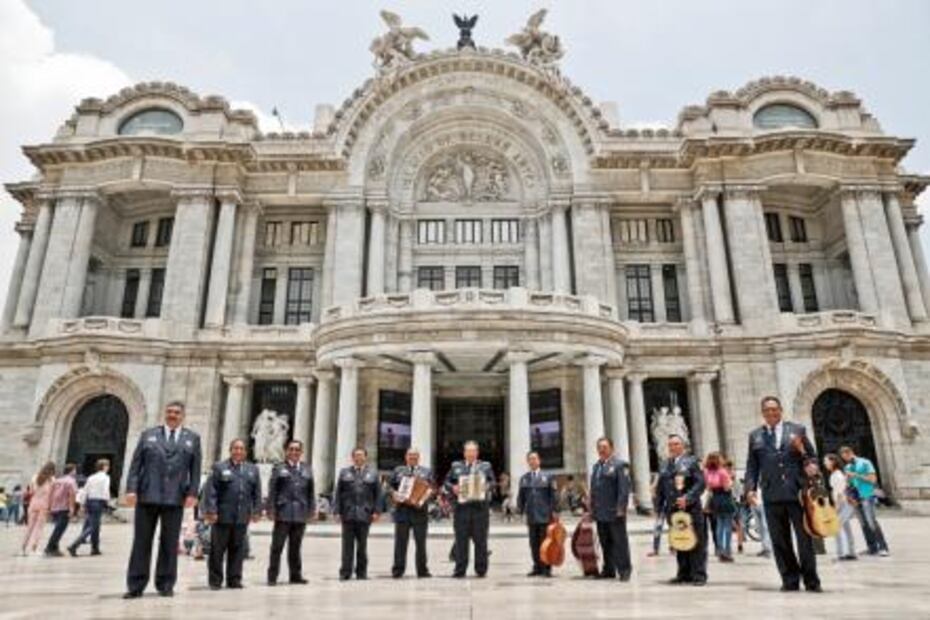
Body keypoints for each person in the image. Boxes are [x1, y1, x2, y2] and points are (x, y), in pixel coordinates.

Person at [124, 401, 202, 599]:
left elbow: (196, 469)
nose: (172, 415)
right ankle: (136, 585)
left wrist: (193, 493)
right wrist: (131, 489)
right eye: (169, 412)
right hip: (147, 495)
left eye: (176, 412)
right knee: (141, 542)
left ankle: (166, 584)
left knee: (169, 543)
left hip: (175, 497)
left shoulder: (192, 438)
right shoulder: (149, 435)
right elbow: (135, 465)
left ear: (182, 415)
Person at [745, 396, 821, 593]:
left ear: (781, 410)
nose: (771, 413)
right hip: (771, 495)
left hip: (797, 494)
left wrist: (810, 463)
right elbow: (752, 466)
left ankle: (811, 581)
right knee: (780, 541)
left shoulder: (797, 430)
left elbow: (812, 457)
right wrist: (750, 489)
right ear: (762, 413)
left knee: (804, 540)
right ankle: (790, 580)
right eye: (767, 410)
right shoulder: (755, 436)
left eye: (774, 409)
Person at [202, 439, 261, 590]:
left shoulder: (252, 469)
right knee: (217, 550)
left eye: (241, 449)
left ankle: (234, 579)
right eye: (235, 448)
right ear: (230, 450)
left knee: (237, 549)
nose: (238, 451)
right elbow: (211, 491)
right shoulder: (220, 467)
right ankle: (215, 581)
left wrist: (256, 511)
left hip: (241, 516)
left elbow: (256, 493)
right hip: (222, 515)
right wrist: (211, 511)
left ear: (245, 452)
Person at [655, 435, 707, 586]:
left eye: (676, 444)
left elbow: (700, 483)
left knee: (696, 542)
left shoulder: (692, 462)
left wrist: (688, 498)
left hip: (690, 510)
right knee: (680, 541)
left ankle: (699, 575)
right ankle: (683, 573)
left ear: (683, 446)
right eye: (670, 444)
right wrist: (659, 508)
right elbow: (661, 489)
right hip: (673, 510)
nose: (673, 447)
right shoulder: (665, 464)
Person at [266, 440, 316, 585]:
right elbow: (273, 490)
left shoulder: (307, 469)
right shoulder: (279, 468)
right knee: (277, 547)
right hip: (283, 513)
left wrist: (311, 509)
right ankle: (272, 576)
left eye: (297, 450)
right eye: (291, 449)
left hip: (300, 513)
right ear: (286, 451)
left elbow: (310, 491)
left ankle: (295, 575)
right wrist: (271, 509)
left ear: (301, 452)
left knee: (295, 547)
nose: (294, 452)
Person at [444, 440, 495, 578]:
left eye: (473, 451)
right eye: (468, 451)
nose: (471, 453)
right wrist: (452, 488)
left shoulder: (485, 466)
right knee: (461, 540)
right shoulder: (456, 466)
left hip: (480, 509)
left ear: (477, 452)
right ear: (464, 452)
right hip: (461, 509)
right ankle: (460, 569)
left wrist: (487, 486)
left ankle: (481, 569)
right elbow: (446, 482)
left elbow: (492, 481)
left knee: (481, 540)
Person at [333, 447, 382, 580]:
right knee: (347, 546)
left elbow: (378, 494)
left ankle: (361, 572)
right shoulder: (344, 473)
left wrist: (377, 511)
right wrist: (336, 511)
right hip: (348, 514)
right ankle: (345, 572)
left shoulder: (372, 473)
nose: (358, 458)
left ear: (365, 457)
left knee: (362, 546)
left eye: (361, 456)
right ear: (352, 457)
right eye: (356, 456)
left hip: (364, 514)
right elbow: (338, 493)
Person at [588, 437, 632, 581]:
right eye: (599, 447)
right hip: (600, 512)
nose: (602, 450)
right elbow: (594, 490)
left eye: (605, 447)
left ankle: (624, 570)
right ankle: (609, 569)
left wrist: (621, 508)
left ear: (611, 448)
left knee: (619, 542)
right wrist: (591, 509)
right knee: (605, 542)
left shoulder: (620, 465)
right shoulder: (596, 467)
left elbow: (623, 489)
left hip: (615, 512)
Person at [388, 447, 433, 579]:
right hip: (402, 511)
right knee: (400, 543)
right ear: (406, 457)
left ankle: (422, 571)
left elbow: (431, 489)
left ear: (419, 457)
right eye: (410, 456)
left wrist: (423, 498)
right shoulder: (398, 471)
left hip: (420, 512)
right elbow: (389, 487)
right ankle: (398, 570)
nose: (412, 458)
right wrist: (393, 493)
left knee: (421, 543)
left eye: (415, 456)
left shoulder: (426, 471)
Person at [840, 446, 889, 557]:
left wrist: (856, 475)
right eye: (843, 458)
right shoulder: (848, 467)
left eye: (846, 456)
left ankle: (883, 547)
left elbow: (872, 479)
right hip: (856, 498)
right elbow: (850, 484)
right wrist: (848, 480)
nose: (846, 460)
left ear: (851, 453)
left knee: (871, 521)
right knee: (863, 523)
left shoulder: (865, 462)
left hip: (867, 495)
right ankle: (872, 548)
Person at [515, 451, 557, 577]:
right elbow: (521, 497)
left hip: (545, 516)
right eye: (530, 459)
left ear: (539, 461)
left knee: (546, 543)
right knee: (534, 544)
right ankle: (537, 566)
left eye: (534, 459)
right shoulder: (524, 478)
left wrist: (554, 511)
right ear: (528, 462)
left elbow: (553, 496)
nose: (532, 461)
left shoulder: (548, 477)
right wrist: (520, 510)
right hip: (532, 516)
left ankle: (546, 568)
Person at [68, 459, 111, 556]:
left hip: (89, 502)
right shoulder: (105, 477)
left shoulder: (91, 477)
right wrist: (107, 502)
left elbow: (85, 490)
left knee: (95, 525)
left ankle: (95, 548)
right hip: (98, 502)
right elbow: (105, 491)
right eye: (107, 466)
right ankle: (74, 545)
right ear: (104, 467)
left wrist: (82, 504)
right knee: (93, 526)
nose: (108, 468)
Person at [824, 454, 857, 561]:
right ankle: (851, 552)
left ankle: (840, 553)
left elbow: (840, 493)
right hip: (845, 503)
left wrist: (836, 508)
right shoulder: (837, 474)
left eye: (826, 461)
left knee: (836, 527)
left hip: (843, 504)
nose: (825, 463)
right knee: (846, 528)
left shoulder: (836, 475)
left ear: (833, 462)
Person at [704, 452, 736, 562]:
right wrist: (731, 482)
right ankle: (727, 551)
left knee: (719, 526)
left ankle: (720, 550)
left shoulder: (707, 472)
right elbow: (727, 488)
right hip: (725, 499)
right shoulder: (722, 472)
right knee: (727, 526)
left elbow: (708, 488)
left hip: (715, 500)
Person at [21, 462, 55, 556]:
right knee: (39, 528)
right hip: (44, 505)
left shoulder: (34, 477)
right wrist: (51, 507)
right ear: (52, 470)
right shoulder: (51, 479)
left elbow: (31, 491)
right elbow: (51, 495)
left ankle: (23, 548)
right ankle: (33, 549)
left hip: (33, 503)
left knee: (29, 527)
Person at [44, 464, 78, 556]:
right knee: (59, 529)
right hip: (64, 508)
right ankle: (49, 547)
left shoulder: (56, 481)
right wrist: (72, 508)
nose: (75, 472)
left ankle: (55, 548)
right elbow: (72, 496)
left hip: (55, 508)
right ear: (72, 471)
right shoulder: (71, 481)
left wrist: (49, 507)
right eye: (75, 470)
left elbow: (50, 494)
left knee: (57, 528)